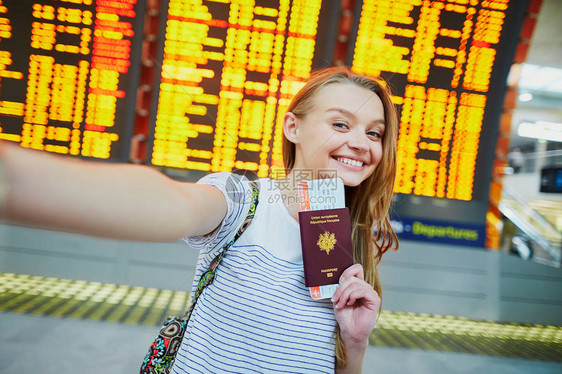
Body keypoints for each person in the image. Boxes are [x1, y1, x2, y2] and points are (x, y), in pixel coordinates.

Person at [0, 66, 398, 373]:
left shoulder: (350, 240)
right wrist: (13, 181)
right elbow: (171, 202)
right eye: (341, 124)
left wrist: (355, 341)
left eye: (375, 133)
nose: (361, 144)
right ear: (293, 127)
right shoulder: (244, 202)